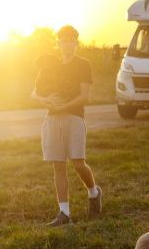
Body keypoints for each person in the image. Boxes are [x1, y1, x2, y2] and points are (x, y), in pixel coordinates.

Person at [31, 25, 102, 227]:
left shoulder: (83, 64)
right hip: (52, 119)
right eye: (63, 40)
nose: (67, 43)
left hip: (74, 117)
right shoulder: (51, 64)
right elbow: (34, 93)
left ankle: (94, 192)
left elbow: (85, 96)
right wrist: (46, 101)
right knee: (58, 165)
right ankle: (64, 213)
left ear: (76, 43)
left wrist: (64, 106)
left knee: (78, 163)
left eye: (71, 40)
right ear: (59, 42)